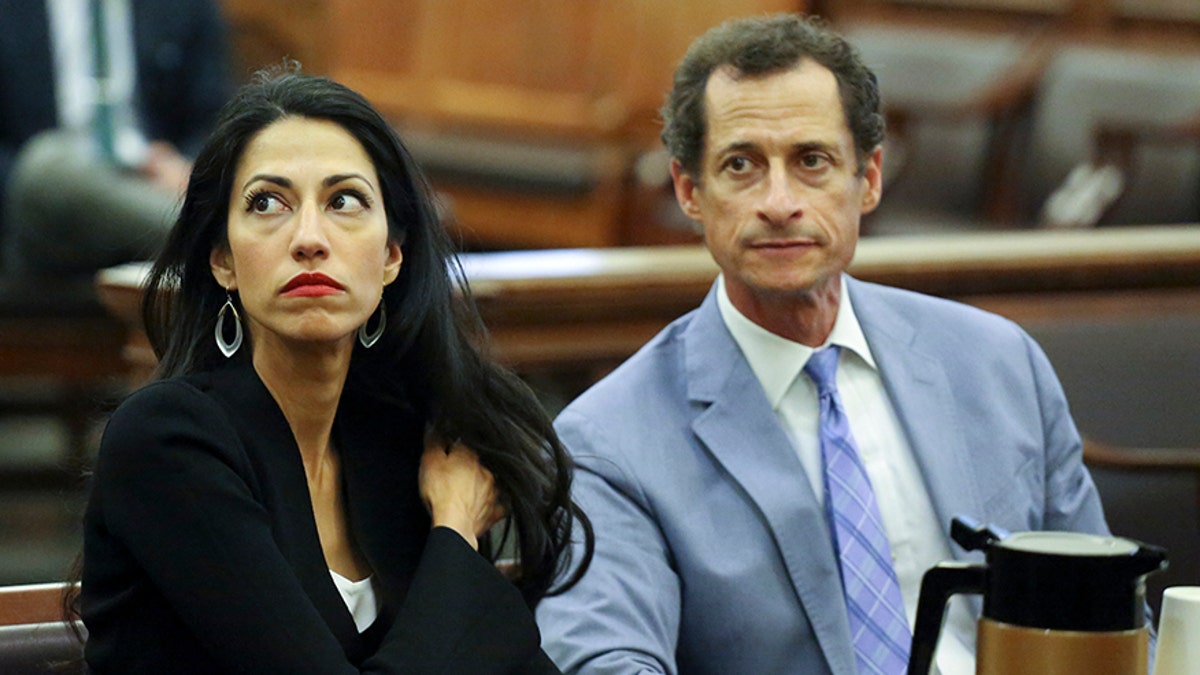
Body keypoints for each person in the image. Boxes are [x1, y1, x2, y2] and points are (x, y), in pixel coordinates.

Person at [534, 14, 1111, 675]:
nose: (779, 202)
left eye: (812, 161)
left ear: (868, 179)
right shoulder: (609, 439)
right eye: (741, 165)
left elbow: (1106, 614)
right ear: (690, 191)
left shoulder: (998, 362)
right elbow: (605, 662)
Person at [78, 67, 592, 673]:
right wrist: (455, 525)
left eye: (343, 201)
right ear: (223, 260)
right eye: (267, 203)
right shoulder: (167, 439)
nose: (309, 238)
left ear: (392, 256)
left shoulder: (397, 439)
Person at [0, 0, 233, 276]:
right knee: (46, 164)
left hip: (152, 187)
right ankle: (218, 245)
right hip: (41, 212)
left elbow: (214, 118)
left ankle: (202, 242)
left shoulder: (181, 6)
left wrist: (186, 169)